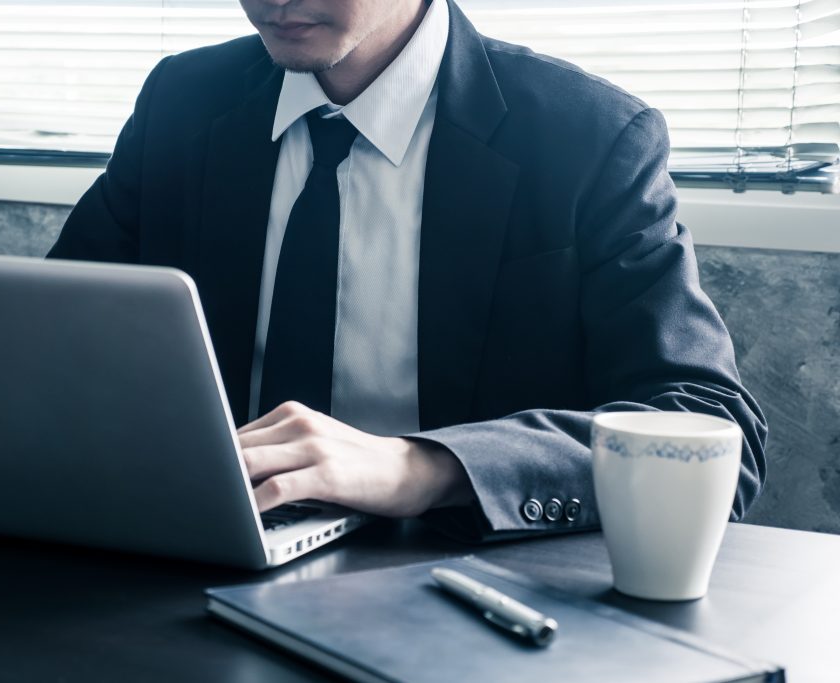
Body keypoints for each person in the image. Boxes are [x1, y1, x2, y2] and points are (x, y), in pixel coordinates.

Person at [48, 0, 767, 541]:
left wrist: (424, 468)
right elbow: (48, 347)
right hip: (200, 564)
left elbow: (713, 431)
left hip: (465, 589)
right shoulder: (181, 101)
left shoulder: (590, 137)